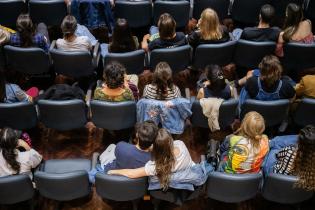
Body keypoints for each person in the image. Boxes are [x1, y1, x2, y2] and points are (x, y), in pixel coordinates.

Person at [108, 128, 197, 190]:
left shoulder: (156, 166)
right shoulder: (180, 144)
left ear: (154, 147)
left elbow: (132, 173)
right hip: (189, 174)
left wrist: (113, 172)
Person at [273, 125, 315, 190]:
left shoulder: (290, 151)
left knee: (274, 150)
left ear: (299, 141)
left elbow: (277, 156)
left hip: (278, 180)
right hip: (302, 192)